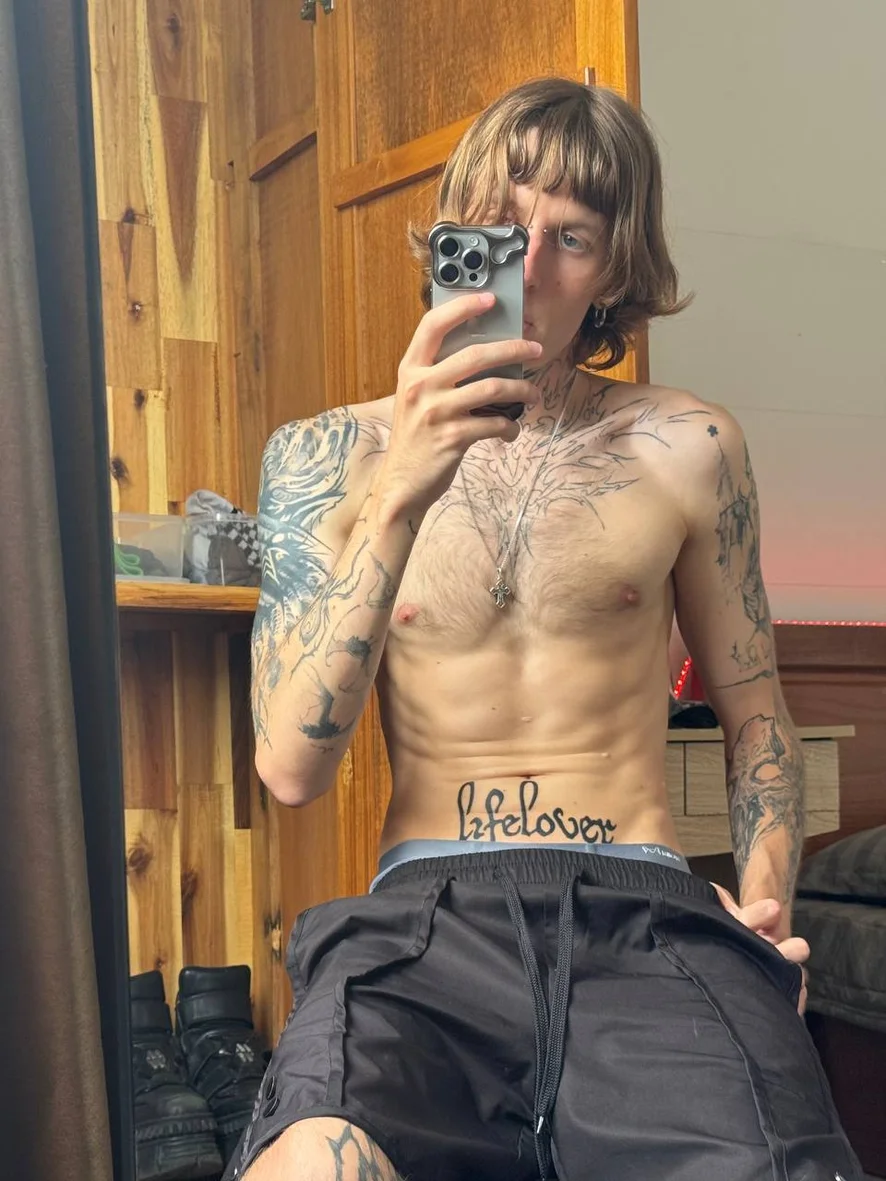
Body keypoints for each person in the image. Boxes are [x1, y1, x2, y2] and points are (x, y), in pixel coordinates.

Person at [230, 78, 859, 1181]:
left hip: (643, 908)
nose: (526, 264)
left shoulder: (690, 446)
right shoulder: (325, 457)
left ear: (614, 270)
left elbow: (756, 710)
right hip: (426, 920)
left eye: (570, 238)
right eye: (500, 225)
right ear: (451, 232)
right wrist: (403, 492)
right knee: (311, 1162)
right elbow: (289, 769)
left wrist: (766, 908)